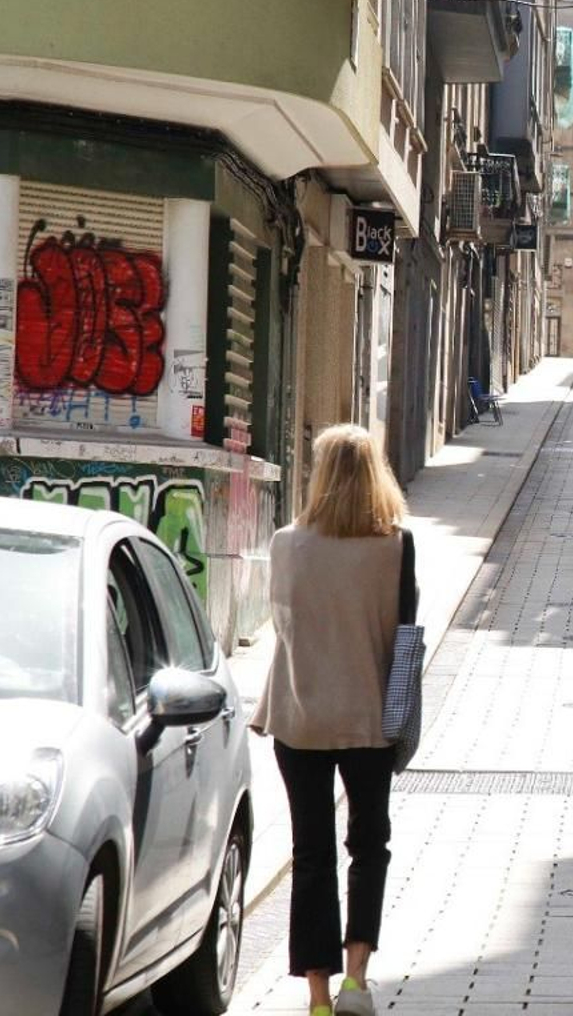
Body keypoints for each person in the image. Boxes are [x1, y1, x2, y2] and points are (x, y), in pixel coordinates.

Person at [250, 424, 414, 1016]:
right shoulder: (397, 547)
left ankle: (317, 997)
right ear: (375, 475)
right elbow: (406, 638)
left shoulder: (286, 543)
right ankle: (356, 981)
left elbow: (285, 623)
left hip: (300, 717)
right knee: (369, 846)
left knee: (310, 852)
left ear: (319, 476)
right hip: (370, 718)